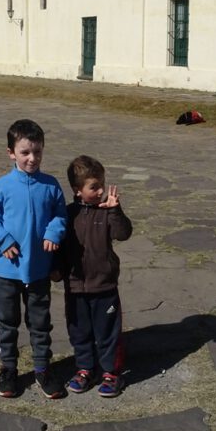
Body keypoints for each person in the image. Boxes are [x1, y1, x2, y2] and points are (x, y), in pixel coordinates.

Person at [0, 119, 68, 399]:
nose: (32, 158)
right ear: (11, 153)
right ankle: (8, 368)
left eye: (38, 152)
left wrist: (54, 232)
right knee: (8, 322)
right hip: (7, 270)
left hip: (39, 268)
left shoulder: (51, 186)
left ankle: (43, 368)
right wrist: (4, 240)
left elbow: (60, 215)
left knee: (40, 322)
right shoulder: (2, 186)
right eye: (25, 153)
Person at [59, 155, 133, 398]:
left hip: (104, 287)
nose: (101, 190)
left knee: (108, 332)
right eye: (94, 187)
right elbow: (59, 245)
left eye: (102, 184)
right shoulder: (68, 215)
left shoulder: (106, 212)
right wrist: (56, 270)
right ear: (77, 190)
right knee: (79, 331)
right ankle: (84, 369)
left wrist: (115, 210)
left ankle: (112, 373)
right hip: (76, 287)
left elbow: (123, 234)